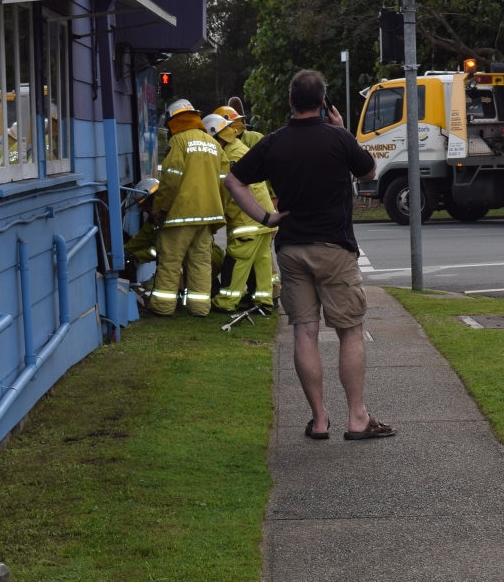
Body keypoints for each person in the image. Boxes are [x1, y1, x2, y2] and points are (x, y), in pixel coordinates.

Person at [224, 70, 395, 441]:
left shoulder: (273, 143)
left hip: (291, 248)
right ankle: (357, 418)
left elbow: (234, 180)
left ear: (290, 101)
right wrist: (344, 131)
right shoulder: (337, 138)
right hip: (334, 247)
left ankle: (319, 421)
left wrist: (266, 217)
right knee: (350, 330)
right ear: (322, 102)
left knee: (305, 331)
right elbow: (368, 171)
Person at [149, 99, 226, 316]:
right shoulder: (213, 145)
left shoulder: (179, 142)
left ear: (174, 120)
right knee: (201, 262)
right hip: (208, 215)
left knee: (170, 261)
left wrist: (160, 209)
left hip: (180, 215)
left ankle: (163, 308)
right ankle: (200, 308)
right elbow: (224, 183)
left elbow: (171, 180)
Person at [202, 111, 277, 312]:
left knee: (236, 262)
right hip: (264, 217)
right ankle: (264, 302)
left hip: (247, 221)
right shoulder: (239, 148)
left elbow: (222, 189)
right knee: (262, 262)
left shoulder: (227, 156)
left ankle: (226, 302)